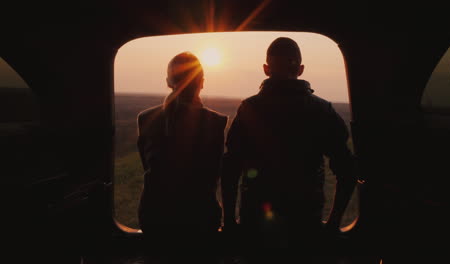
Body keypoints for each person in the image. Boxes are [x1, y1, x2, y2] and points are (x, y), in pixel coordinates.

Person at [221, 37, 357, 253]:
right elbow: (348, 171)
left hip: (256, 225)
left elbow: (230, 169)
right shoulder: (323, 111)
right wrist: (333, 224)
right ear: (301, 69)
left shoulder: (248, 109)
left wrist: (229, 221)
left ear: (266, 69)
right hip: (305, 225)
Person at [137, 52, 227, 259]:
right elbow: (214, 175)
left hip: (155, 219)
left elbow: (148, 166)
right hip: (200, 220)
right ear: (202, 83)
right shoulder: (215, 122)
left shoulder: (145, 119)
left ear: (168, 82)